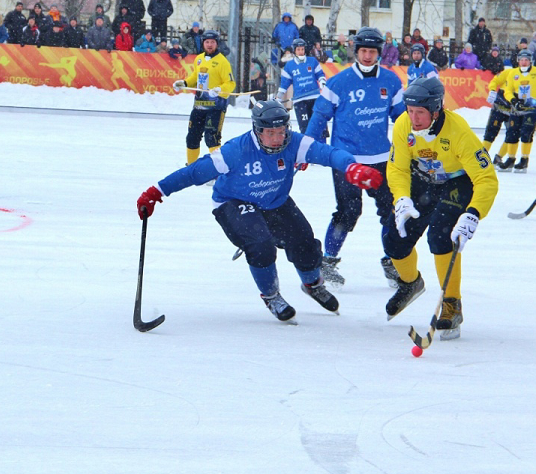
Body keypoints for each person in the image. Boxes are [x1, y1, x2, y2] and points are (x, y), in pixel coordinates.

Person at [135, 101, 384, 322]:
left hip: (274, 201)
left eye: (281, 131)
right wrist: (156, 192)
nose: (278, 138)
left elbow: (329, 153)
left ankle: (312, 284)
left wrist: (352, 168)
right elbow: (193, 173)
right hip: (232, 202)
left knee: (305, 242)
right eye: (271, 133)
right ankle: (271, 295)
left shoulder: (294, 143)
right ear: (257, 130)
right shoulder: (236, 150)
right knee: (261, 245)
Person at [384, 78, 498, 336]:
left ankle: (451, 303)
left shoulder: (459, 132)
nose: (414, 118)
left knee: (440, 236)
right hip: (421, 181)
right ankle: (410, 283)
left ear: (436, 110)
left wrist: (473, 213)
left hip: (456, 183)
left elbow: (486, 179)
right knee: (394, 239)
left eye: (420, 112)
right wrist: (401, 198)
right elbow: (398, 167)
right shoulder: (404, 125)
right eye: (410, 111)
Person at [305, 27, 405, 298]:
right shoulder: (339, 82)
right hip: (346, 159)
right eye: (364, 51)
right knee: (349, 212)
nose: (368, 56)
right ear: (356, 51)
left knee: (391, 210)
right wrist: (305, 149)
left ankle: (392, 260)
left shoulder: (391, 81)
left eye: (373, 51)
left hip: (381, 159)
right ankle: (328, 262)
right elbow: (319, 117)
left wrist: (416, 142)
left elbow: (403, 118)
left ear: (379, 52)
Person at [483, 49, 536, 173]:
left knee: (525, 134)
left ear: (530, 61)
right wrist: (505, 97)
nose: (524, 63)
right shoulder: (511, 73)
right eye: (521, 60)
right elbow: (505, 88)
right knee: (509, 133)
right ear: (517, 61)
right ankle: (506, 158)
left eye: (526, 60)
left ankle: (519, 159)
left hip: (528, 108)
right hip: (510, 107)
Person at [172, 30, 237, 164]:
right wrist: (184, 83)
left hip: (216, 107)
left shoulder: (222, 62)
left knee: (212, 138)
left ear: (217, 44)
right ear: (203, 44)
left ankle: (216, 170)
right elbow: (195, 77)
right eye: (207, 42)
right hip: (199, 105)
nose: (209, 45)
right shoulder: (199, 59)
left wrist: (219, 89)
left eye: (212, 42)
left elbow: (230, 83)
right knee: (192, 137)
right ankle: (191, 167)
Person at [276, 38, 326, 132]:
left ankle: (321, 145)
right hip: (300, 101)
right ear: (294, 50)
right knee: (305, 128)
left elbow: (320, 74)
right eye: (298, 49)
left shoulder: (312, 61)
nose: (301, 52)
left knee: (319, 126)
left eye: (302, 49)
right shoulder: (289, 66)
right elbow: (284, 83)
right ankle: (307, 145)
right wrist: (279, 96)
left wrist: (322, 81)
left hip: (314, 98)